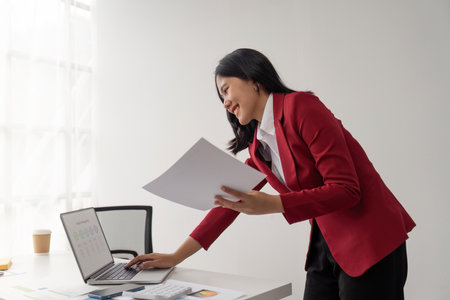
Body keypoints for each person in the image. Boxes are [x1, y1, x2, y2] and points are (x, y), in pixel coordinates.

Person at [125, 48, 416, 300]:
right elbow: (226, 205)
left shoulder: (302, 106)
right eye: (220, 97)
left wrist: (273, 204)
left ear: (253, 78)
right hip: (327, 245)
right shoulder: (259, 146)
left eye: (226, 89)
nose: (224, 102)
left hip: (370, 240)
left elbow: (346, 188)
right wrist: (176, 256)